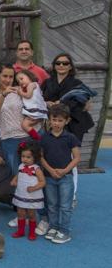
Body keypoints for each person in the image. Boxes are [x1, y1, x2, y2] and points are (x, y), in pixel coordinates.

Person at [40, 104, 81, 244]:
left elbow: (76, 158)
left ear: (67, 121)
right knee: (51, 204)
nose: (56, 123)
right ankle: (53, 227)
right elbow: (41, 157)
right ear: (49, 120)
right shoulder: (44, 138)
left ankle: (64, 231)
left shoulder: (70, 138)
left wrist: (64, 171)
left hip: (66, 177)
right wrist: (50, 170)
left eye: (60, 120)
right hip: (49, 177)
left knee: (65, 205)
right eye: (54, 119)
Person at [0, 63, 30, 177]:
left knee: (32, 173)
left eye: (11, 77)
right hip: (9, 140)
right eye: (5, 76)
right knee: (17, 174)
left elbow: (33, 106)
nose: (8, 80)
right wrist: (3, 95)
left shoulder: (19, 91)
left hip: (27, 136)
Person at [43, 53, 95, 143]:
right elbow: (39, 98)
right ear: (54, 66)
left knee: (71, 153)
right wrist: (46, 103)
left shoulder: (77, 83)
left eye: (65, 63)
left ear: (70, 67)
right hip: (53, 122)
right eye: (58, 63)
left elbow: (83, 103)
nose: (61, 65)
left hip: (73, 123)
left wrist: (61, 103)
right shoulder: (47, 82)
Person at [10, 141, 45, 240]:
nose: (25, 159)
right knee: (20, 213)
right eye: (23, 156)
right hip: (21, 193)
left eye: (28, 157)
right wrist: (14, 180)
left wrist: (34, 188)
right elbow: (19, 174)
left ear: (35, 157)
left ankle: (32, 232)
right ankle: (20, 231)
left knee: (31, 214)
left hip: (32, 195)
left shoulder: (36, 169)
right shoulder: (21, 166)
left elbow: (43, 182)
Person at [15, 70, 48, 141]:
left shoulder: (31, 84)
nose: (20, 82)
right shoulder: (33, 85)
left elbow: (28, 95)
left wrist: (20, 92)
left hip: (35, 111)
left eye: (21, 79)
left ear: (29, 77)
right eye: (18, 81)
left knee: (24, 125)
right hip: (38, 111)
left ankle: (37, 138)